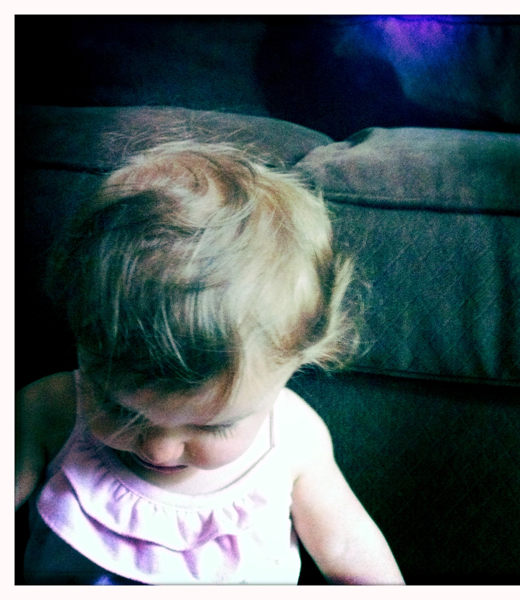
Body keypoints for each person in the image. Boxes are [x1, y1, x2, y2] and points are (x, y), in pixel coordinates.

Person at [16, 141, 404, 585]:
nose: (158, 450)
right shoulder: (51, 409)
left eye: (211, 426)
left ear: (296, 361)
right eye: (120, 409)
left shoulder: (294, 438)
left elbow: (347, 548)